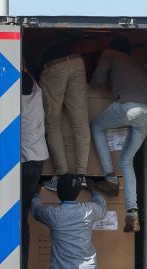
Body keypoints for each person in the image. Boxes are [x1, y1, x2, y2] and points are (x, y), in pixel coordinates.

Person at [89, 35, 147, 233]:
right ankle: (132, 213)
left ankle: (110, 177)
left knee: (97, 127)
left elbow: (97, 80)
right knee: (127, 160)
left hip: (130, 105)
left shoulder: (109, 54)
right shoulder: (135, 63)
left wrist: (93, 82)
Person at [34, 36, 90, 191]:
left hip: (53, 66)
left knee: (52, 123)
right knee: (80, 122)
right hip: (77, 61)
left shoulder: (35, 43)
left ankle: (61, 175)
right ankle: (81, 175)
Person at [20, 66, 49, 269]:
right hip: (37, 158)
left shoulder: (23, 84)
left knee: (18, 217)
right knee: (23, 215)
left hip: (27, 160)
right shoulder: (33, 86)